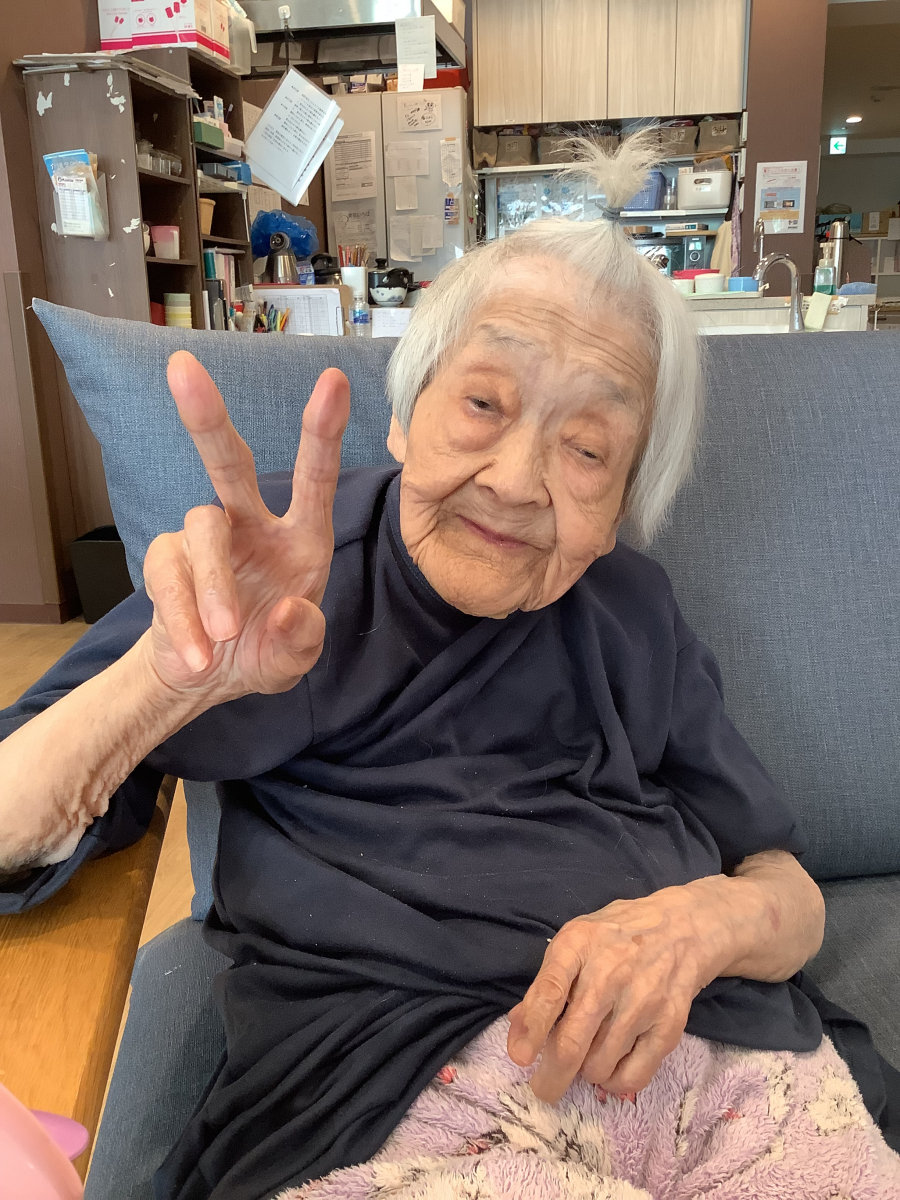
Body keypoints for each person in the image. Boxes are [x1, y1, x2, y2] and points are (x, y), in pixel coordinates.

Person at [1, 135, 898, 1200]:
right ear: (403, 412)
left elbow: (788, 892)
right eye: (483, 404)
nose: (516, 481)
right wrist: (171, 679)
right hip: (399, 1088)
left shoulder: (632, 610)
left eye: (588, 449)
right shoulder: (277, 568)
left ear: (622, 505)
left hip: (727, 1066)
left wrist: (702, 926)